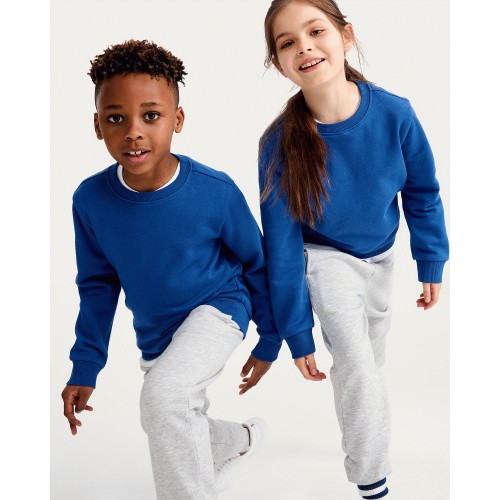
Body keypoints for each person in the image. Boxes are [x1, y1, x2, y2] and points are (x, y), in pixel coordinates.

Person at [245, 1, 450, 498]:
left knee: (366, 368)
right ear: (278, 63)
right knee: (357, 366)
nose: (304, 47)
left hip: (380, 258)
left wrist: (431, 260)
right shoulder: (278, 144)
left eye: (316, 31)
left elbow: (422, 193)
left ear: (346, 36)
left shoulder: (395, 114)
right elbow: (283, 249)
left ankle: (361, 433)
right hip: (324, 260)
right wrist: (296, 332)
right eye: (287, 42)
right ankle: (371, 479)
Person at [60, 39, 280, 500]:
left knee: (163, 398)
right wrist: (85, 366)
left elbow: (256, 263)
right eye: (116, 118)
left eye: (151, 116)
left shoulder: (214, 191)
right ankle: (239, 440)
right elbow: (98, 285)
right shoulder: (90, 199)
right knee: (166, 415)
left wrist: (270, 337)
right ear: (97, 125)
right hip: (157, 331)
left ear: (177, 120)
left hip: (219, 307)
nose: (133, 132)